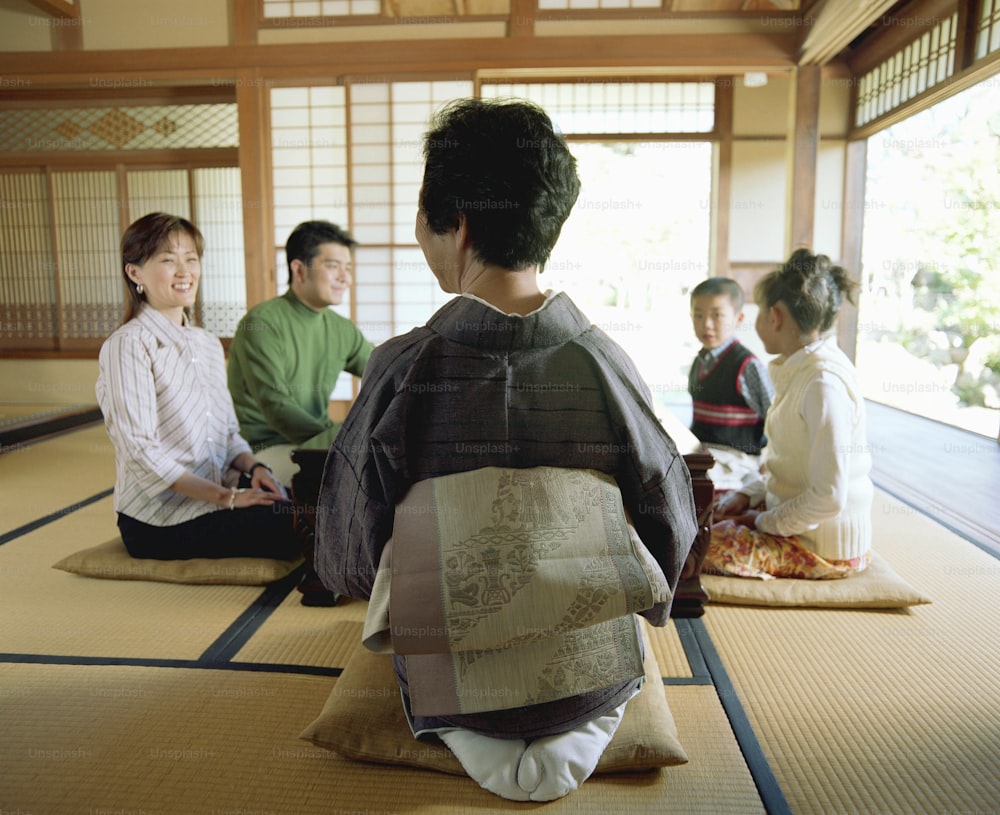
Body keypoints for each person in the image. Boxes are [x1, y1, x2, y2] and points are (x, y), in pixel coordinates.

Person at [314, 98, 697, 802]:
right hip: (585, 688)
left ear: (455, 224)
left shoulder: (403, 367)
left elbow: (351, 553)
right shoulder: (606, 363)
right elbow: (668, 525)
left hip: (457, 695)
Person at [96, 212, 299, 562]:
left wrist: (256, 470)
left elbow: (228, 433)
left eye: (191, 259)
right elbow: (141, 452)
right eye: (167, 260)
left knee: (311, 504)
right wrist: (228, 499)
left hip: (220, 496)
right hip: (159, 520)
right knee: (300, 525)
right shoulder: (128, 345)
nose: (184, 271)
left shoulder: (205, 343)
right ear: (135, 273)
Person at [706, 248, 873, 580]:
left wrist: (760, 521)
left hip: (825, 545)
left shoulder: (823, 384)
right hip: (801, 520)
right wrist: (750, 494)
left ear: (776, 316)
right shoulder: (800, 367)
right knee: (709, 506)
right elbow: (791, 466)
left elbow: (829, 497)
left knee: (698, 545)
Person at [227, 220, 374, 485]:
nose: (345, 278)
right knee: (354, 481)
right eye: (333, 266)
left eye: (348, 268)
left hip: (315, 443)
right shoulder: (261, 323)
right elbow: (276, 405)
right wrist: (338, 442)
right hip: (262, 450)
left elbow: (382, 369)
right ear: (299, 269)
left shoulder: (341, 329)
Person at [688, 276, 773, 490]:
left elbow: (776, 418)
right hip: (703, 455)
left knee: (687, 485)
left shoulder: (746, 366)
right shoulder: (699, 362)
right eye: (698, 315)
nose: (706, 324)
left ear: (738, 319)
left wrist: (769, 466)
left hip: (737, 461)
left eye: (717, 315)